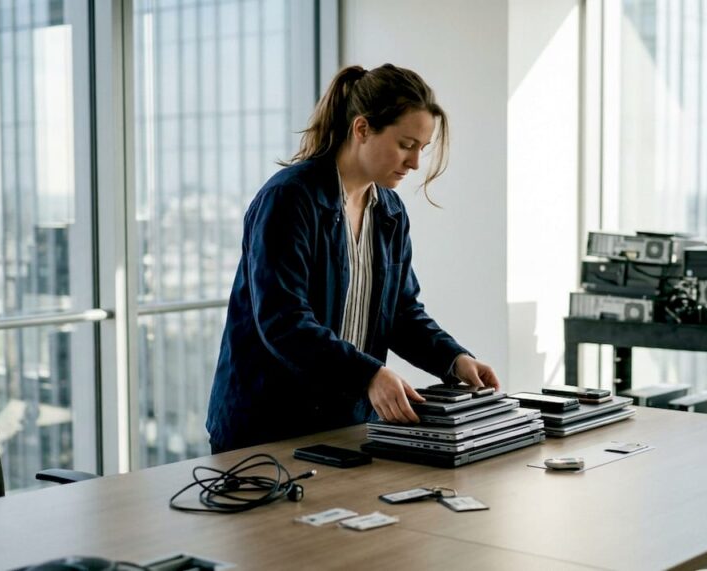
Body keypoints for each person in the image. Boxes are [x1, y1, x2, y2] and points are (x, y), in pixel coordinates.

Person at [206, 64, 501, 453]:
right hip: (266, 428)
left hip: (344, 423)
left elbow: (401, 313)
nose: (414, 163)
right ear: (362, 129)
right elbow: (284, 321)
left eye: (421, 150)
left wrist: (455, 359)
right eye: (406, 145)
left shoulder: (389, 211)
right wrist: (369, 374)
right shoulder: (290, 199)